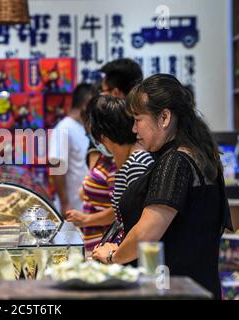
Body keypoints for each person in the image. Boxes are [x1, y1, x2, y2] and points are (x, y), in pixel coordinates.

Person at [92, 74, 233, 299]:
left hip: (173, 291)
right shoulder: (200, 155)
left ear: (164, 117)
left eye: (138, 119)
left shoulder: (175, 162)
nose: (134, 130)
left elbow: (146, 233)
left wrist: (113, 256)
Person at [67, 95, 154, 247]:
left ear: (102, 136)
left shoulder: (137, 162)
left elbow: (141, 225)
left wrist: (113, 256)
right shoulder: (124, 162)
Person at [48, 83, 97, 215]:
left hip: (85, 207)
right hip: (73, 207)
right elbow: (57, 166)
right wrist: (65, 202)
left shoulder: (84, 127)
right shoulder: (64, 128)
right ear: (86, 104)